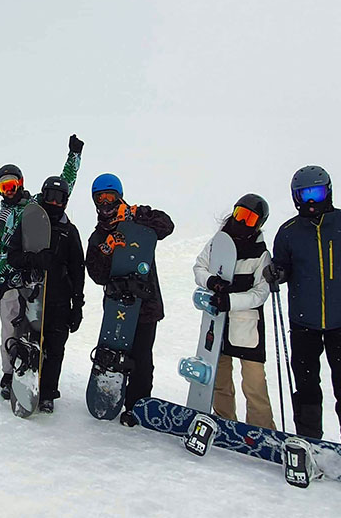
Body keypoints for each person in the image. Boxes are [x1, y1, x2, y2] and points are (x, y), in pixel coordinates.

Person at [0, 134, 84, 400]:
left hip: (32, 280)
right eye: (4, 187)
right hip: (9, 280)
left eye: (12, 185)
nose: (9, 191)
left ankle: (34, 375)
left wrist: (73, 157)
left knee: (31, 330)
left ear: (21, 184)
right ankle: (9, 374)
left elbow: (65, 187)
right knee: (9, 328)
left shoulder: (35, 206)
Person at [85, 173, 174, 427]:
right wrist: (106, 249)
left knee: (142, 358)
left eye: (109, 197)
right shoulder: (98, 236)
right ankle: (110, 395)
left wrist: (140, 215)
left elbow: (166, 226)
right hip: (117, 307)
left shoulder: (137, 221)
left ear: (119, 196)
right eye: (99, 198)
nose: (105, 203)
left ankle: (137, 406)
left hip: (146, 306)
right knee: (115, 354)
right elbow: (96, 274)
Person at [268, 166, 341, 439]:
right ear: (295, 197)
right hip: (303, 323)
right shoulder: (288, 232)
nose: (311, 200)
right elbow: (282, 267)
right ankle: (309, 441)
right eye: (304, 194)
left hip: (339, 324)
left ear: (328, 191)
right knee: (307, 386)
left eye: (316, 192)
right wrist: (276, 273)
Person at [194, 194, 275, 429]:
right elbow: (199, 266)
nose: (241, 221)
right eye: (240, 214)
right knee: (219, 380)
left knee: (254, 386)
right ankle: (224, 422)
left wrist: (231, 301)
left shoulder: (261, 253)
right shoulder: (218, 242)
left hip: (246, 326)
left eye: (249, 218)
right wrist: (212, 283)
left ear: (258, 224)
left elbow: (260, 293)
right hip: (217, 323)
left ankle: (262, 430)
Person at [6, 176, 85, 412]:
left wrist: (77, 305)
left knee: (55, 348)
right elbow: (13, 256)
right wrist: (35, 259)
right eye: (50, 196)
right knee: (29, 345)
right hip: (32, 297)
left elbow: (78, 270)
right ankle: (23, 386)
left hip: (60, 302)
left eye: (59, 198)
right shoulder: (28, 224)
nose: (54, 202)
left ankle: (49, 392)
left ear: (66, 202)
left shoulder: (69, 232)